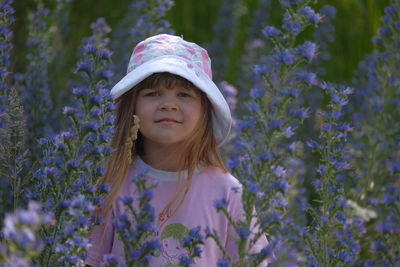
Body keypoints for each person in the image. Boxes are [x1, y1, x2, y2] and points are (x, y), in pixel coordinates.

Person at [85, 34, 270, 266]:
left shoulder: (228, 192)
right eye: (152, 94)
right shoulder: (112, 184)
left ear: (204, 110)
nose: (168, 104)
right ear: (132, 106)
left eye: (184, 94)